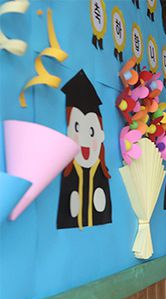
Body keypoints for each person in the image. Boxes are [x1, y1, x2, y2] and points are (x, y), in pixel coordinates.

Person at [57, 69, 112, 229]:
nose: (85, 140)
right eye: (77, 128)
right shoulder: (70, 172)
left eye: (91, 132)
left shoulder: (101, 173)